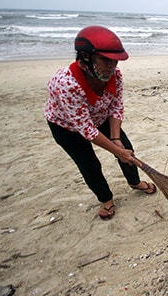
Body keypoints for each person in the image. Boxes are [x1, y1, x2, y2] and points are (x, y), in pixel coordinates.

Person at [45, 26, 157, 221]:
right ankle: (106, 199)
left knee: (127, 149)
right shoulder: (67, 84)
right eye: (105, 60)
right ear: (85, 56)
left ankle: (134, 182)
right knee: (89, 164)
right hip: (67, 127)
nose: (111, 66)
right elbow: (85, 128)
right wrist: (116, 150)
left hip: (101, 116)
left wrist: (116, 139)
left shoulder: (114, 75)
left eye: (114, 61)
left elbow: (116, 105)